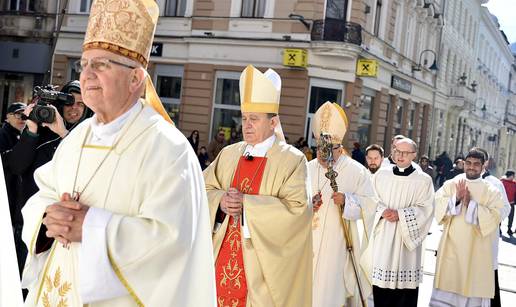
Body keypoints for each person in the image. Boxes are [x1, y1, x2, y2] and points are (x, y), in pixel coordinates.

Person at [21, 0, 216, 306]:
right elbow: (43, 194)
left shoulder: (169, 150)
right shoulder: (77, 137)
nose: (86, 75)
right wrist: (47, 218)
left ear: (135, 78)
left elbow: (173, 242)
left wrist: (93, 226)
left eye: (101, 64)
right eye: (84, 64)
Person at [204, 65, 312, 307]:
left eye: (254, 119)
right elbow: (202, 190)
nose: (247, 125)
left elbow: (298, 212)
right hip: (219, 258)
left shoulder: (292, 160)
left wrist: (248, 205)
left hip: (260, 269)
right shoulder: (229, 154)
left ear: (273, 122)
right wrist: (220, 201)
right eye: (244, 118)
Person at [309, 101, 376, 307]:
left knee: (329, 291)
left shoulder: (356, 171)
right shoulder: (307, 168)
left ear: (340, 147)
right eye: (319, 147)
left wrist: (348, 201)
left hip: (337, 243)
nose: (322, 153)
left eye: (328, 148)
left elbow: (370, 205)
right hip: (307, 241)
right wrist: (307, 204)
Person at [361, 138, 434, 307]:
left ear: (414, 155)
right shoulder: (381, 175)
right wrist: (382, 210)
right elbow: (370, 200)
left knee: (404, 293)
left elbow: (427, 209)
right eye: (397, 151)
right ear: (392, 152)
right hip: (384, 237)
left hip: (406, 242)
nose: (400, 155)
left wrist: (401, 214)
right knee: (381, 290)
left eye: (405, 152)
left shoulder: (423, 180)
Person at [430, 149, 505, 307]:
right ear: (464, 163)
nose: (471, 167)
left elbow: (497, 215)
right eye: (468, 163)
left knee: (473, 286)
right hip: (452, 246)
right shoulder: (453, 183)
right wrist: (456, 198)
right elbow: (437, 205)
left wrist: (471, 205)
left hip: (478, 251)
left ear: (483, 166)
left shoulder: (491, 190)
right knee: (449, 283)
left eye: (476, 164)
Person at [473, 147, 510, 307]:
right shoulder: (461, 180)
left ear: (485, 163)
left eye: (478, 162)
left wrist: (485, 217)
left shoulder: (494, 183)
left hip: (485, 239)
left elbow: (505, 208)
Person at [0, 102, 27, 276]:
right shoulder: (3, 136)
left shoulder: (22, 135)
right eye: (18, 114)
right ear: (7, 117)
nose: (22, 118)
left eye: (25, 115)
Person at [502, 170, 516, 236]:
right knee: (500, 216)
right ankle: (499, 228)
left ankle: (509, 229)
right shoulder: (502, 182)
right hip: (503, 203)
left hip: (511, 203)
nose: (514, 177)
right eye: (513, 176)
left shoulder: (514, 184)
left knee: (511, 217)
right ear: (510, 176)